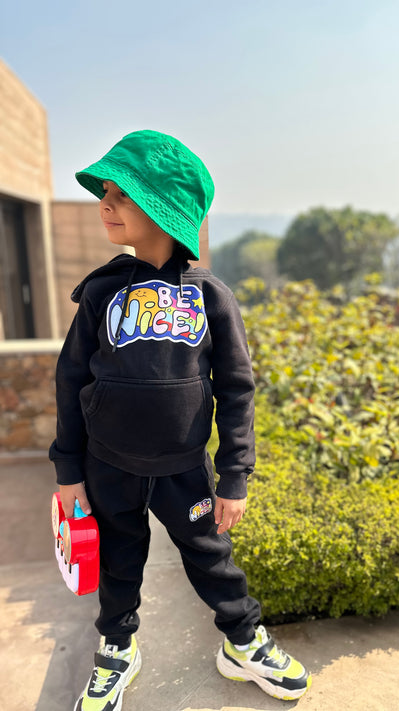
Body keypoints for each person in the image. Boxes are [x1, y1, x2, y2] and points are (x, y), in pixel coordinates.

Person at [49, 129, 311, 711]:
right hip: (107, 465)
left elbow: (237, 389)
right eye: (106, 193)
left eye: (123, 194)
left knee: (212, 559)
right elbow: (70, 380)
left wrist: (234, 476)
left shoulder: (210, 296)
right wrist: (69, 471)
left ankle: (242, 642)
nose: (106, 204)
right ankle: (118, 649)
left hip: (184, 470)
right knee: (119, 564)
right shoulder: (100, 292)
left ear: (163, 208)